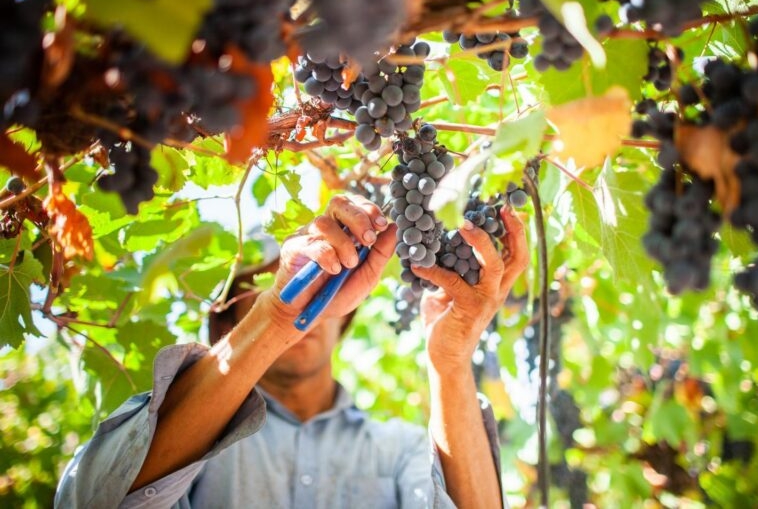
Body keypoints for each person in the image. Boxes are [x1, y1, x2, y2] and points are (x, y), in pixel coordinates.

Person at [55, 194, 529, 509]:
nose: (311, 299)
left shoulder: (398, 447)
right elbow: (92, 500)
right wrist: (278, 318)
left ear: (347, 315)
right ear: (228, 321)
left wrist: (449, 366)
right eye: (262, 290)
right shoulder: (195, 446)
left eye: (327, 283)